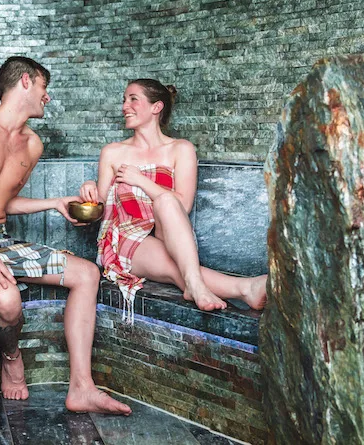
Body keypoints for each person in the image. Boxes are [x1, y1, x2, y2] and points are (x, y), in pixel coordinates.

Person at [0, 56, 131, 415]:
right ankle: (11, 356)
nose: (47, 97)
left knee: (87, 274)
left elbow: (2, 200)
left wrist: (54, 203)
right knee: (7, 300)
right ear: (25, 81)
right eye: (43, 87)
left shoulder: (32, 144)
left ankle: (82, 387)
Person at [79, 78, 267, 319]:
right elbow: (100, 206)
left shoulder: (181, 149)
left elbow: (183, 204)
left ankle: (208, 286)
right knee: (172, 265)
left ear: (156, 107)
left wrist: (141, 180)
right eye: (124, 100)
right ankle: (237, 287)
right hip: (125, 237)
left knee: (167, 201)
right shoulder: (113, 152)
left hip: (168, 231)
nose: (124, 106)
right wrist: (89, 188)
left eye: (133, 99)